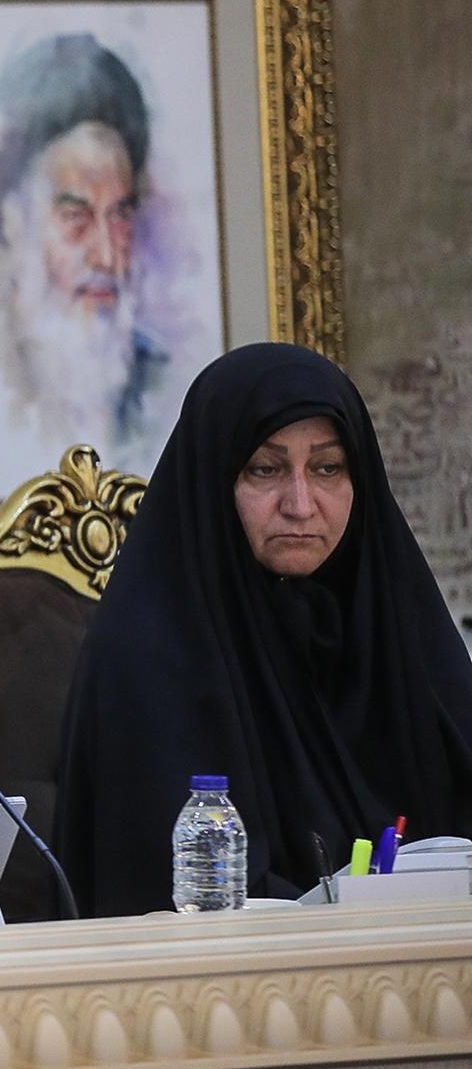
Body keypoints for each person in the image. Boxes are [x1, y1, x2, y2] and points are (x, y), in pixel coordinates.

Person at [55, 343, 472, 916]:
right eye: (266, 469)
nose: (300, 504)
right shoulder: (147, 655)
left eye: (327, 468)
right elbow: (179, 900)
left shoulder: (395, 626)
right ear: (214, 480)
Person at [0, 33, 168, 470]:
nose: (107, 256)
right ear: (13, 221)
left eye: (120, 216)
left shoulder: (164, 386)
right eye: (75, 218)